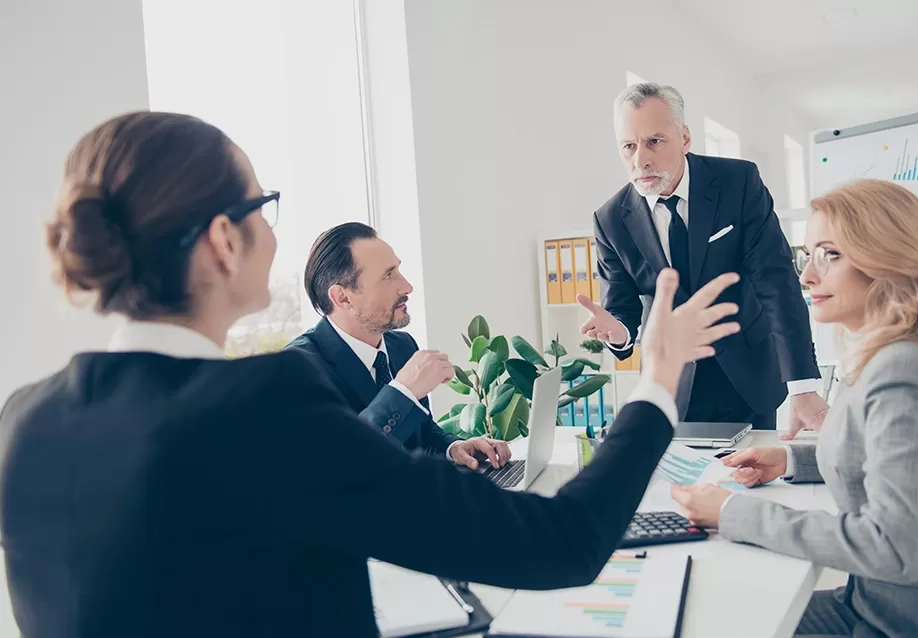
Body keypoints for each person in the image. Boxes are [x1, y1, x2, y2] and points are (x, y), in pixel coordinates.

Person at [0, 111, 742, 637]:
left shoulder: (21, 420)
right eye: (264, 205)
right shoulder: (263, 408)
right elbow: (563, 541)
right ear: (225, 240)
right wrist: (657, 379)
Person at [671, 179, 918, 638]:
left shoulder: (908, 370)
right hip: (880, 603)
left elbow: (891, 547)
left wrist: (731, 512)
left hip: (913, 624)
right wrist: (793, 460)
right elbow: (901, 460)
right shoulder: (904, 351)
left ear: (890, 259)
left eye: (830, 254)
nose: (806, 276)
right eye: (807, 255)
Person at [578, 82, 827, 436]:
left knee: (752, 476)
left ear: (685, 137)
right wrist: (619, 333)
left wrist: (802, 385)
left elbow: (776, 283)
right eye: (628, 146)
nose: (640, 160)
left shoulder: (739, 183)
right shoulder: (610, 219)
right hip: (670, 387)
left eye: (654, 141)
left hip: (747, 375)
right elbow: (622, 310)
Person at [285, 222, 509, 470]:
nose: (407, 286)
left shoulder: (401, 345)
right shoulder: (298, 369)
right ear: (343, 297)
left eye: (398, 270)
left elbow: (419, 433)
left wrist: (452, 448)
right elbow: (337, 464)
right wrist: (403, 391)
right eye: (388, 276)